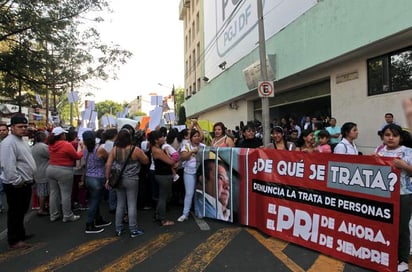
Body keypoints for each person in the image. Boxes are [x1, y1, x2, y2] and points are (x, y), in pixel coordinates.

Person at [373, 124, 412, 272]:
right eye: (387, 135)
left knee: (402, 228)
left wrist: (405, 166)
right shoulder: (379, 151)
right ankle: (385, 255)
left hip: (403, 195)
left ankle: (402, 260)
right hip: (383, 196)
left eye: (394, 135)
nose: (390, 138)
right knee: (384, 227)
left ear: (400, 138)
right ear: (383, 137)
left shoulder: (408, 152)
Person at [0, 114, 36, 249]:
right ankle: (14, 240)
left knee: (21, 211)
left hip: (24, 183)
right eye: (20, 127)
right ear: (12, 128)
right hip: (16, 185)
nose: (23, 129)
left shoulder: (21, 140)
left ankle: (20, 234)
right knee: (15, 212)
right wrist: (17, 181)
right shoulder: (8, 143)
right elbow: (8, 166)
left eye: (25, 126)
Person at [105, 129, 149, 237]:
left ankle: (118, 228)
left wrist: (107, 179)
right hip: (132, 179)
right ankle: (133, 229)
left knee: (120, 204)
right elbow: (146, 161)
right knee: (132, 204)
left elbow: (108, 165)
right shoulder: (135, 149)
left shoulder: (114, 150)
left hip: (118, 180)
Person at [47, 126, 83, 223]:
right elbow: (77, 156)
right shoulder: (66, 145)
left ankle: (53, 214)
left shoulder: (51, 144)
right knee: (66, 194)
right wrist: (81, 149)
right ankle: (67, 215)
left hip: (51, 169)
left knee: (53, 193)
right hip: (64, 170)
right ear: (62, 135)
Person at [82, 130, 111, 234]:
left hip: (88, 177)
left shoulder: (84, 149)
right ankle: (89, 224)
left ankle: (98, 219)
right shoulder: (100, 149)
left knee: (95, 200)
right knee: (94, 202)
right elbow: (109, 158)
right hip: (98, 178)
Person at [149, 130, 176, 226]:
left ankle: (158, 215)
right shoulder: (157, 151)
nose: (164, 138)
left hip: (161, 175)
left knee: (163, 196)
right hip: (163, 175)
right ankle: (163, 219)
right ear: (156, 140)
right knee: (163, 197)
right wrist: (170, 155)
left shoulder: (156, 148)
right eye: (161, 137)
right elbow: (171, 162)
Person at [177, 129, 205, 222]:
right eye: (194, 136)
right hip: (189, 172)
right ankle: (185, 214)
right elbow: (183, 157)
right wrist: (192, 151)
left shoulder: (203, 146)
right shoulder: (186, 146)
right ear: (191, 137)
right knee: (189, 193)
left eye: (198, 136)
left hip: (201, 172)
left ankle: (199, 211)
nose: (197, 138)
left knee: (199, 193)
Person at [31, 131, 50, 216]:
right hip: (43, 171)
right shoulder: (44, 147)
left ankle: (42, 207)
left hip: (36, 171)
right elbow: (51, 155)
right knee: (43, 192)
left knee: (40, 191)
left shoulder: (33, 147)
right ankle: (41, 209)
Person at [0, 123, 9, 213]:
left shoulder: (12, 141)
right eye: (0, 130)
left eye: (4, 130)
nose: (2, 132)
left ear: (8, 131)